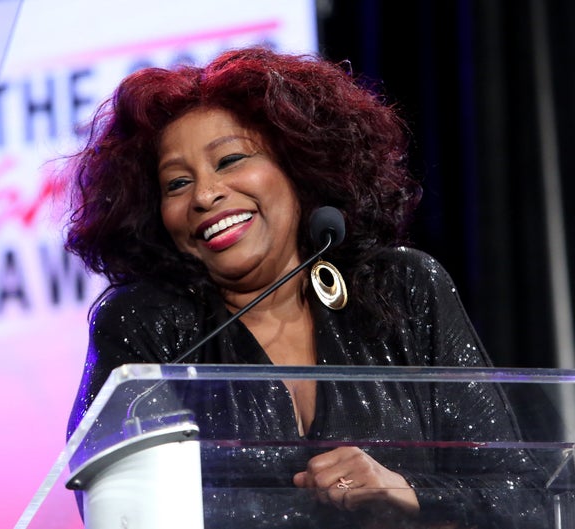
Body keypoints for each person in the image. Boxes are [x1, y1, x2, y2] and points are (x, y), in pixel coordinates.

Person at [62, 46, 551, 528]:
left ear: (297, 166)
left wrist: (405, 493)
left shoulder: (402, 289)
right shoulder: (146, 326)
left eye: (230, 159)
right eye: (176, 184)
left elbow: (520, 497)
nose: (206, 194)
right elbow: (123, 510)